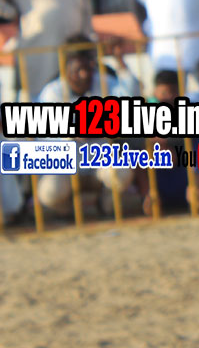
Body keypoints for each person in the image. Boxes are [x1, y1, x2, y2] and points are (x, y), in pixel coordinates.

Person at [33, 40, 140, 216]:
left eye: (87, 69)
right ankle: (68, 211)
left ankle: (106, 202)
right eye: (78, 70)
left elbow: (131, 98)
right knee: (50, 192)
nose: (84, 75)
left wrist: (120, 63)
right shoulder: (52, 92)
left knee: (121, 172)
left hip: (101, 161)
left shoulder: (103, 82)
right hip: (67, 167)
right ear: (66, 71)